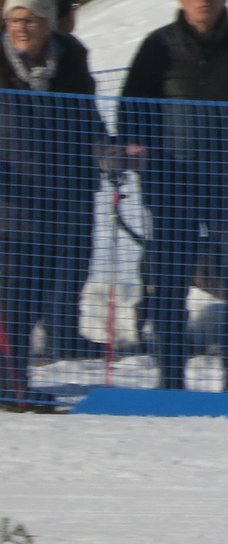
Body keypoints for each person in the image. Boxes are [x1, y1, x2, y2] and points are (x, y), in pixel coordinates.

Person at [117, 0, 228, 400]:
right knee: (169, 284)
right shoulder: (157, 45)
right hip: (169, 185)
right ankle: (171, 382)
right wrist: (134, 146)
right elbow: (131, 106)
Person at [0, 0, 108, 409]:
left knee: (31, 296)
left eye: (30, 19)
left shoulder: (71, 61)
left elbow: (89, 121)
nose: (21, 27)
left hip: (58, 199)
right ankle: (11, 386)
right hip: (9, 203)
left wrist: (108, 150)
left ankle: (13, 381)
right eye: (14, 20)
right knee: (11, 297)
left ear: (48, 23)